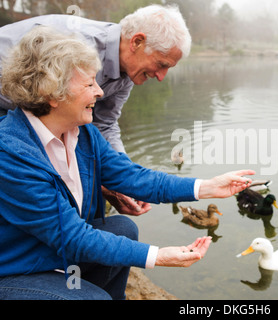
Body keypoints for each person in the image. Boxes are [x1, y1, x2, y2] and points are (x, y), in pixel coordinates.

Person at [0, 26, 254, 300]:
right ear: (52, 92)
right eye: (88, 84)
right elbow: (74, 237)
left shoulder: (84, 134)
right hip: (16, 269)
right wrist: (158, 255)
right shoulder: (12, 153)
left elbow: (134, 178)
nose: (99, 91)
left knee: (123, 228)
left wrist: (207, 186)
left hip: (51, 251)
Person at [0, 4, 191, 216]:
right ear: (137, 41)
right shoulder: (75, 49)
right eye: (161, 64)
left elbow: (105, 124)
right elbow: (37, 117)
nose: (161, 76)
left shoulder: (128, 70)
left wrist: (126, 182)